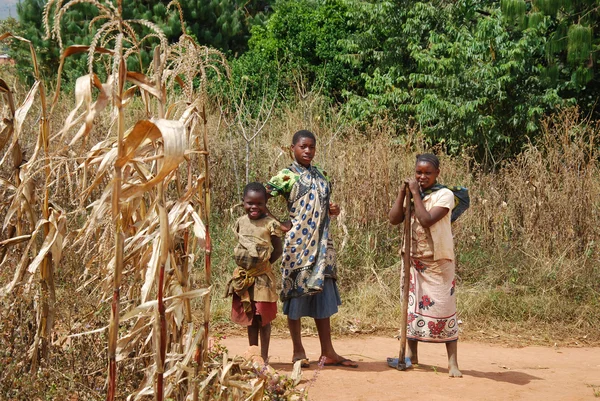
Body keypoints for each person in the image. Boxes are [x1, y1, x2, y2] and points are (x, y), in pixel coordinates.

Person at [265, 129, 358, 368]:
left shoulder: (321, 174)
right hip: (298, 244)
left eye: (311, 147)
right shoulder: (287, 175)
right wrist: (278, 223)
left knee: (322, 293)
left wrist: (332, 210)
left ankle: (328, 351)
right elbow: (259, 196)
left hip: (322, 244)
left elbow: (321, 205)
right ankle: (298, 351)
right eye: (303, 147)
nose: (308, 151)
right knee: (296, 293)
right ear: (292, 148)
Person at [388, 153, 462, 377]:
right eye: (418, 172)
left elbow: (427, 219)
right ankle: (412, 354)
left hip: (437, 261)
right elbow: (393, 219)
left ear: (437, 173)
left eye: (427, 173)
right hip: (413, 260)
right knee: (412, 309)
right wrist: (402, 194)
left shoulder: (445, 195)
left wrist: (415, 195)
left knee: (444, 308)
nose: (422, 177)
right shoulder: (413, 194)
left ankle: (452, 363)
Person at [225, 182, 283, 362]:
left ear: (266, 204)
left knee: (263, 318)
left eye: (260, 204)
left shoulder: (271, 224)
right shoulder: (240, 222)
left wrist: (263, 268)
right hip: (245, 278)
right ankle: (254, 355)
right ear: (243, 202)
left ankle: (264, 358)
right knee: (250, 317)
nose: (254, 207)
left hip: (263, 278)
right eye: (250, 203)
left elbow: (278, 250)